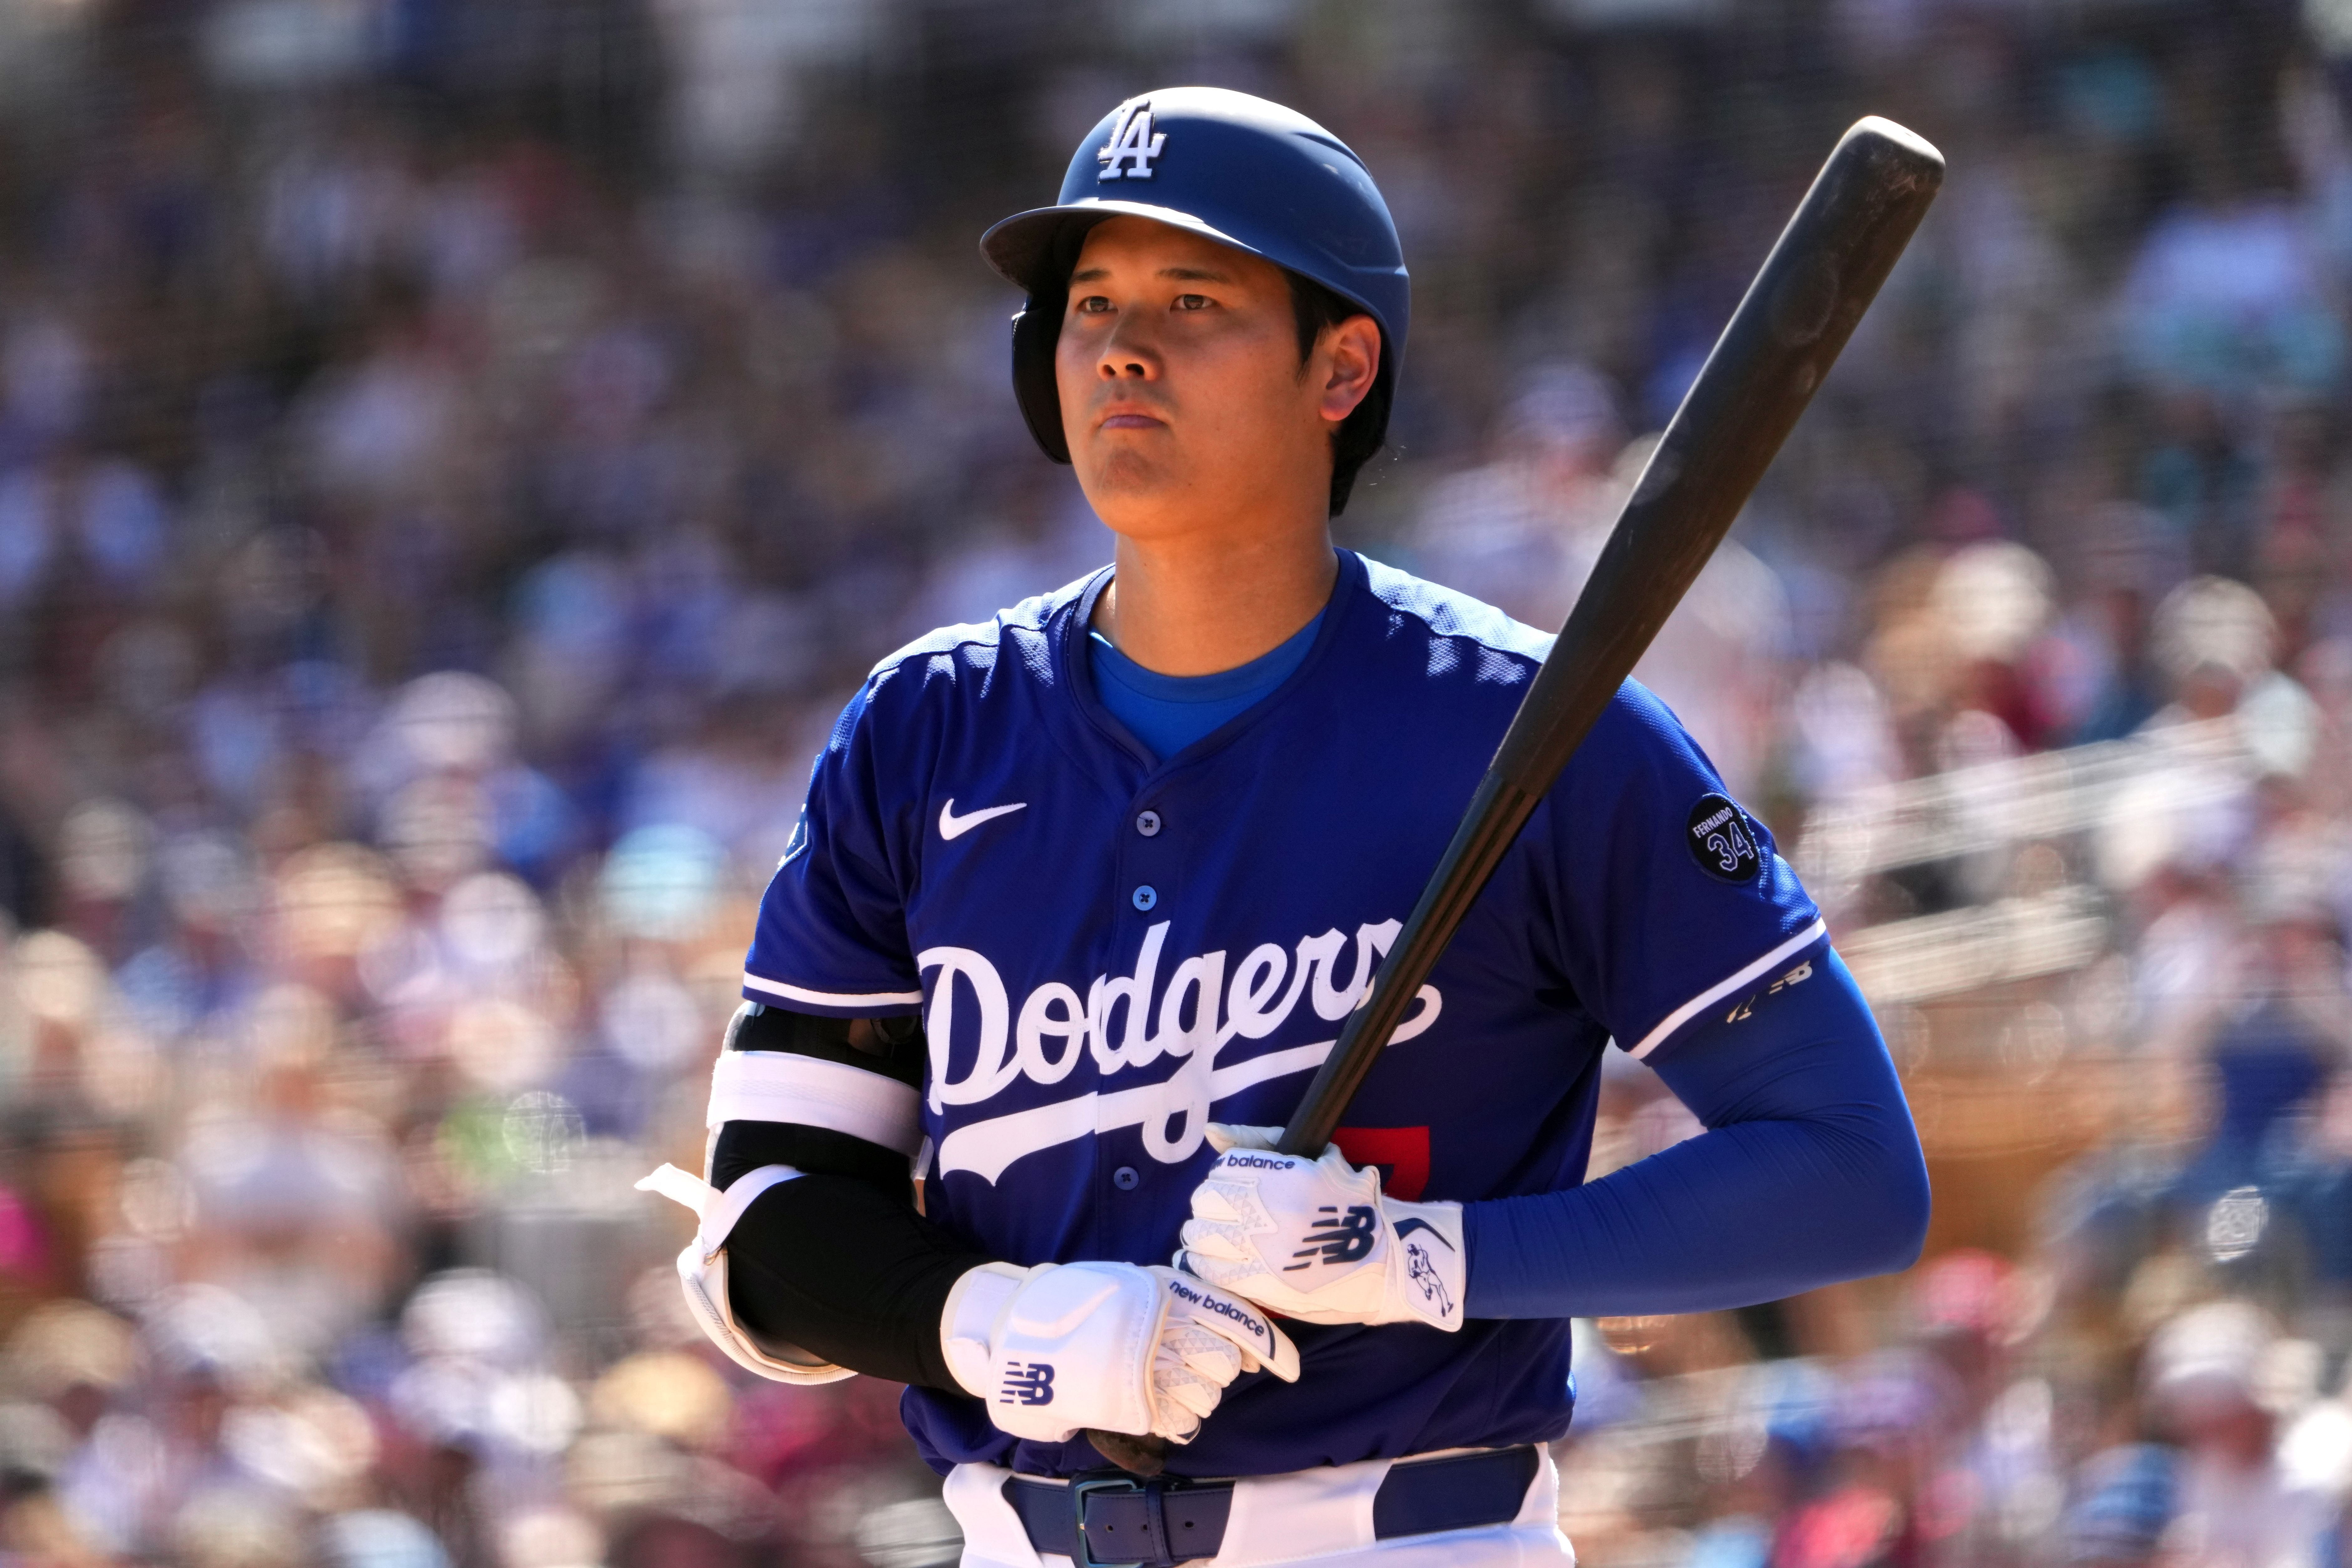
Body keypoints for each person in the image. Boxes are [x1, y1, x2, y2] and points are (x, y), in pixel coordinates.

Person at [637, 87, 1930, 1568]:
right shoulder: (925, 727)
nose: (1123, 345)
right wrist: (1019, 1325)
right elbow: (769, 1232)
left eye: (1195, 301)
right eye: (1090, 303)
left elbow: (1848, 1170)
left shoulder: (1533, 729)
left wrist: (1419, 1257)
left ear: (1340, 367)